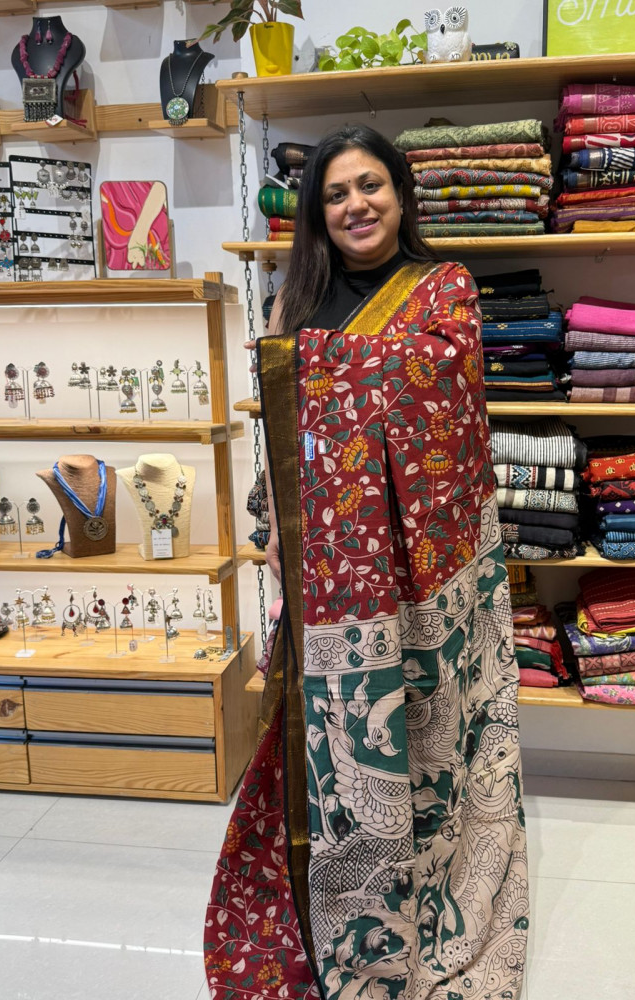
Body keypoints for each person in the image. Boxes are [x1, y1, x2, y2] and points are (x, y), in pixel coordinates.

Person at [205, 124, 529, 1000]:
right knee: (327, 749)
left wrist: (310, 369)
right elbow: (281, 432)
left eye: (371, 186)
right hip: (322, 576)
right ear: (317, 213)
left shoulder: (443, 291)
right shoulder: (293, 301)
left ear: (401, 195)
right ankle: (326, 910)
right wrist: (272, 520)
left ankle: (428, 900)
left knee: (417, 740)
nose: (356, 205)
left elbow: (440, 398)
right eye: (337, 193)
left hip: (419, 584)